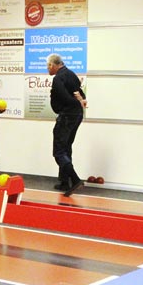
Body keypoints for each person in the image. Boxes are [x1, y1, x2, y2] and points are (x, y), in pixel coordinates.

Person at [47, 53, 87, 197]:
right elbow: (81, 95)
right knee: (66, 147)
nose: (47, 68)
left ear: (53, 65)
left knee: (58, 151)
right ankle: (64, 181)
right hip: (77, 115)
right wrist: (80, 101)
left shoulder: (58, 78)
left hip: (67, 116)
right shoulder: (71, 74)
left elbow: (64, 97)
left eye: (48, 66)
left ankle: (75, 180)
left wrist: (76, 102)